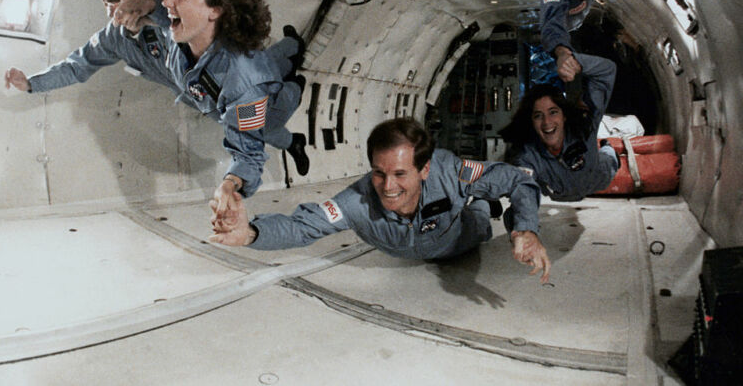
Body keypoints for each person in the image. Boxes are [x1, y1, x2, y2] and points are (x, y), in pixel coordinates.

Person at [211, 118, 551, 283]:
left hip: (457, 238)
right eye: (379, 172)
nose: (387, 187)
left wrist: (525, 229)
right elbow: (304, 227)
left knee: (479, 216)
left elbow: (519, 180)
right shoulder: (358, 200)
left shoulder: (449, 170)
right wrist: (251, 234)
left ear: (424, 169)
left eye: (401, 174)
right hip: (408, 248)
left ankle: (481, 203)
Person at [117, 0, 309, 219]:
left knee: (276, 113)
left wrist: (231, 185)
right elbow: (161, 11)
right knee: (273, 60)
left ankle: (296, 69)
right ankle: (294, 48)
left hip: (270, 102)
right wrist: (144, 3)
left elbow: (249, 153)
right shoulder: (190, 30)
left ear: (215, 9)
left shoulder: (246, 87)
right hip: (247, 78)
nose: (168, 2)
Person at [4, 0, 179, 96]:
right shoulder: (113, 37)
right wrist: (30, 83)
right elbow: (76, 67)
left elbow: (172, 16)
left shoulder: (173, 12)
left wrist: (149, 6)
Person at [500, 53, 618, 202]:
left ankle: (607, 147)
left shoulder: (583, 128)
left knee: (609, 157)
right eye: (538, 115)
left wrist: (576, 62)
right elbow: (524, 195)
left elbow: (607, 71)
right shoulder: (528, 156)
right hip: (559, 194)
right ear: (531, 121)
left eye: (553, 112)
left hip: (600, 176)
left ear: (564, 115)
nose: (546, 122)